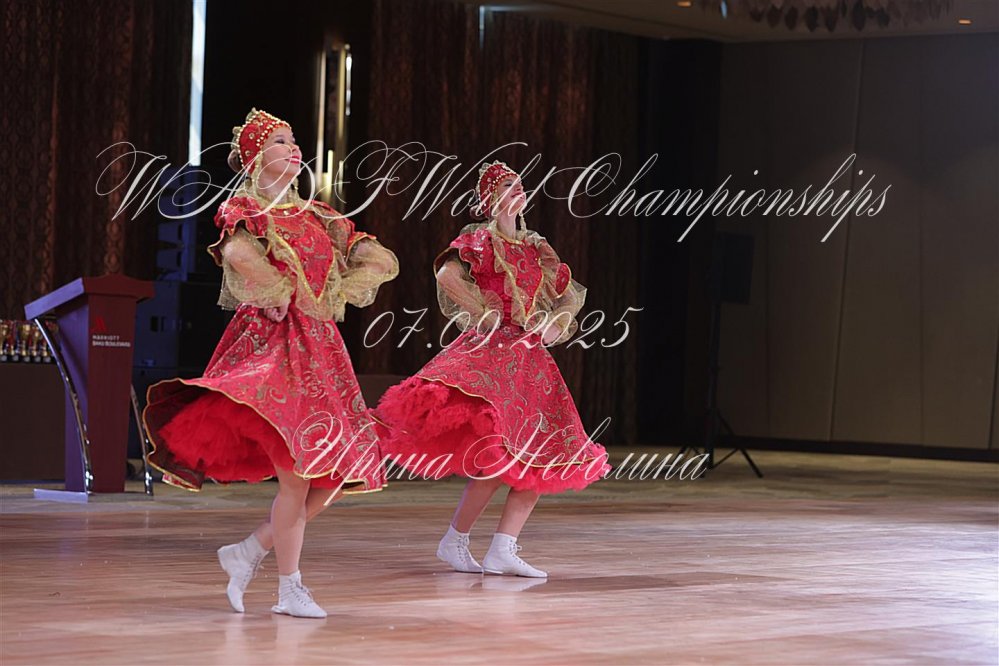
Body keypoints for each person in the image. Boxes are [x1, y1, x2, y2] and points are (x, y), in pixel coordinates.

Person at [143, 109, 398, 618]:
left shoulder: (320, 215)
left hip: (320, 347)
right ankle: (289, 588)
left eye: (294, 139)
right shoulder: (247, 209)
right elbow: (238, 253)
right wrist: (275, 289)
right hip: (274, 346)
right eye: (281, 141)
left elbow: (376, 257)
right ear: (256, 156)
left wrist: (333, 290)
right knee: (298, 475)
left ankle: (251, 549)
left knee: (340, 470)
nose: (293, 147)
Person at [376, 161, 610, 579]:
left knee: (540, 453)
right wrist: (483, 311)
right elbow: (448, 274)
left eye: (519, 184)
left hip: (531, 360)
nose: (517, 189)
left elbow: (566, 294)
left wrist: (556, 324)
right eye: (505, 185)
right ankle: (456, 539)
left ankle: (503, 547)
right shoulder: (480, 239)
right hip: (493, 354)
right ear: (489, 199)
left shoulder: (537, 247)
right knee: (496, 457)